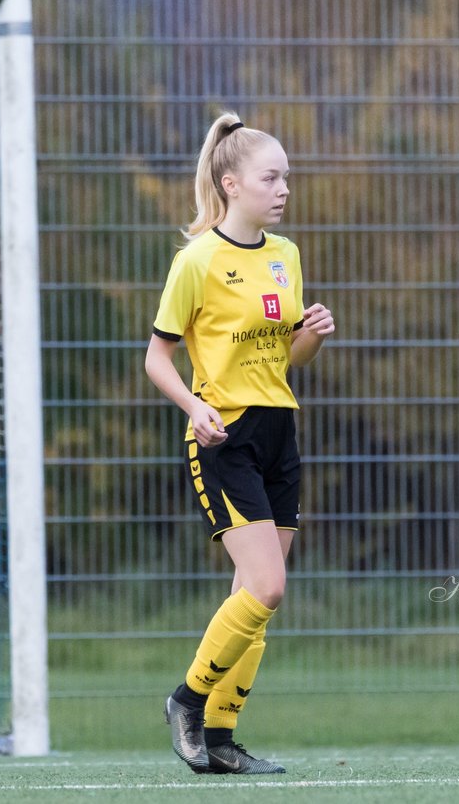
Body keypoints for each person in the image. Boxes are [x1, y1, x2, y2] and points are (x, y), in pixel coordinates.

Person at [146, 112, 334, 774]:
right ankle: (186, 700)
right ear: (232, 184)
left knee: (251, 595)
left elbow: (289, 361)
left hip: (280, 428)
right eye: (271, 176)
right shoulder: (196, 261)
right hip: (225, 435)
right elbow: (156, 357)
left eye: (286, 176)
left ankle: (220, 739)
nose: (284, 187)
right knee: (267, 586)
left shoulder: (285, 255)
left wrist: (313, 331)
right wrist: (194, 405)